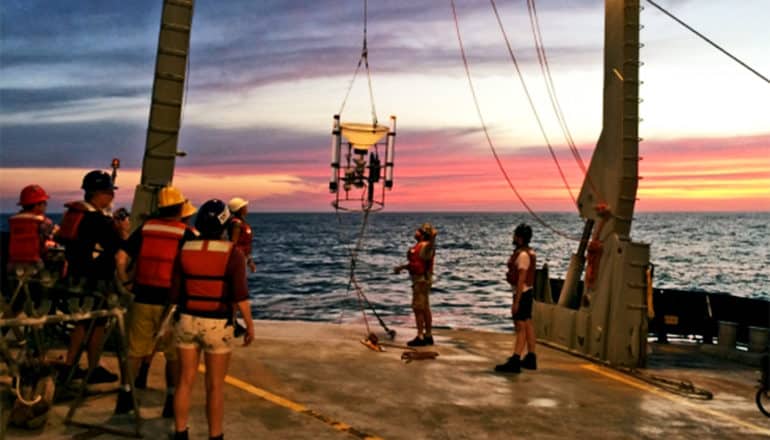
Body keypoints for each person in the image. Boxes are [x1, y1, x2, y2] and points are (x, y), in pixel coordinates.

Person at [171, 199, 255, 440]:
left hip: (186, 320)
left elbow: (175, 294)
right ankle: (215, 436)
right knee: (215, 386)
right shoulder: (233, 254)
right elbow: (240, 296)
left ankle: (180, 433)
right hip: (217, 325)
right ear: (224, 225)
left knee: (184, 381)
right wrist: (249, 325)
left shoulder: (184, 251)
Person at [114, 186, 197, 416]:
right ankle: (171, 400)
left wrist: (126, 282)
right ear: (180, 207)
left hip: (142, 299)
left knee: (135, 352)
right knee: (172, 355)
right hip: (170, 304)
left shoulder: (146, 228)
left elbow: (121, 256)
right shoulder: (186, 234)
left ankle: (125, 395)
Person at [55, 170, 122, 384]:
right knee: (98, 325)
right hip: (96, 281)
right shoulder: (99, 221)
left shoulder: (76, 214)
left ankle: (69, 365)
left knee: (81, 323)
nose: (112, 196)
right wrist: (122, 230)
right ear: (99, 194)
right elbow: (117, 246)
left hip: (75, 277)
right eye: (109, 192)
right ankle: (93, 368)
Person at [495, 223, 537, 373]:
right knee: (527, 323)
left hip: (523, 293)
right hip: (527, 292)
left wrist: (516, 302)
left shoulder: (523, 256)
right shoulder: (527, 252)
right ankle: (531, 357)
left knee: (520, 327)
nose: (513, 237)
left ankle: (516, 359)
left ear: (519, 238)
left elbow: (521, 279)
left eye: (515, 235)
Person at [394, 222, 437, 347]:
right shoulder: (420, 247)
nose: (416, 232)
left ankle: (420, 336)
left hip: (420, 281)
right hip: (422, 280)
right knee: (425, 308)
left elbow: (431, 246)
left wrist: (433, 237)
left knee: (418, 309)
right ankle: (428, 335)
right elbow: (415, 264)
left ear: (423, 235)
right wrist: (402, 267)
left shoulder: (425, 246)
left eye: (418, 231)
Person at [227, 197, 256, 273]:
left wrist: (249, 260)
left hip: (242, 258)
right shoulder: (236, 224)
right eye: (244, 206)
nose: (246, 208)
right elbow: (233, 244)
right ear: (239, 209)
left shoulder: (241, 223)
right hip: (238, 259)